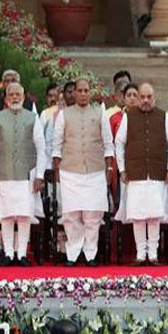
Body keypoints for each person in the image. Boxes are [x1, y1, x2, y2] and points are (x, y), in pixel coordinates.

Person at [0, 82, 47, 267]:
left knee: (24, 215)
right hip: (3, 175)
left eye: (18, 94)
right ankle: (9, 253)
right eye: (12, 94)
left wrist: (40, 175)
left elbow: (42, 148)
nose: (15, 97)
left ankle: (22, 253)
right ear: (6, 97)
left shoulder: (33, 118)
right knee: (7, 216)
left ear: (24, 97)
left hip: (27, 176)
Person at [52, 78, 114, 267]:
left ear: (91, 92)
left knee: (92, 215)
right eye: (80, 90)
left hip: (95, 170)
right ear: (75, 93)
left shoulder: (100, 112)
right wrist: (56, 166)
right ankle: (72, 253)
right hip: (70, 170)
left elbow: (108, 143)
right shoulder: (64, 115)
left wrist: (110, 167)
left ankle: (90, 254)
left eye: (86, 90)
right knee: (71, 215)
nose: (83, 94)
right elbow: (56, 144)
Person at [114, 82, 168, 265]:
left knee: (155, 216)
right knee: (139, 216)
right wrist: (122, 169)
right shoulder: (129, 116)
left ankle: (153, 254)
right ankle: (141, 254)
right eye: (142, 97)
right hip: (135, 173)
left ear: (154, 97)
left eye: (149, 97)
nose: (145, 100)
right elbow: (119, 143)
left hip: (157, 173)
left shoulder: (162, 116)